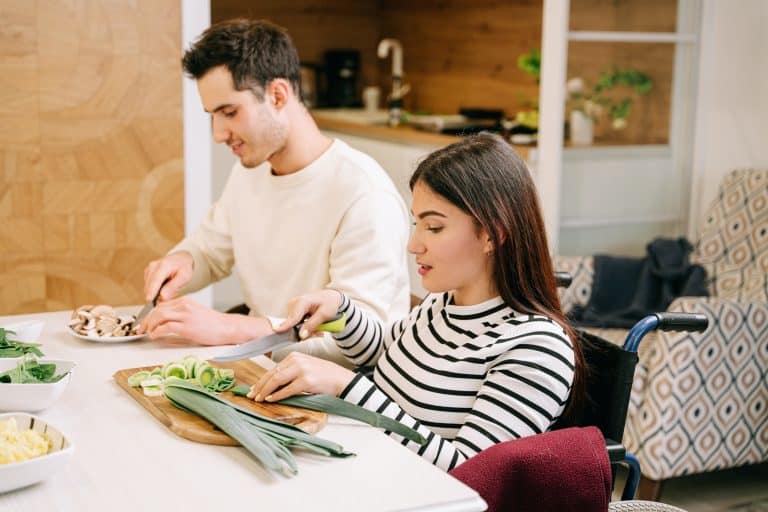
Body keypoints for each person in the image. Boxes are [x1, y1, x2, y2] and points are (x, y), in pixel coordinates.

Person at [249, 132, 585, 471]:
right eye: (416, 223)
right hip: (365, 469)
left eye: (434, 228)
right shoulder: (443, 305)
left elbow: (471, 472)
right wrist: (341, 310)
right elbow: (385, 351)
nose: (413, 245)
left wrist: (345, 386)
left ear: (492, 234)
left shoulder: (537, 348)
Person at [138, 19, 410, 354]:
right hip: (260, 368)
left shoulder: (365, 196)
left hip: (334, 392)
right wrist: (185, 261)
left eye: (229, 112)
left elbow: (359, 341)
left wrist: (234, 328)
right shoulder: (250, 170)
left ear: (278, 95)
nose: (218, 133)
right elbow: (211, 249)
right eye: (212, 115)